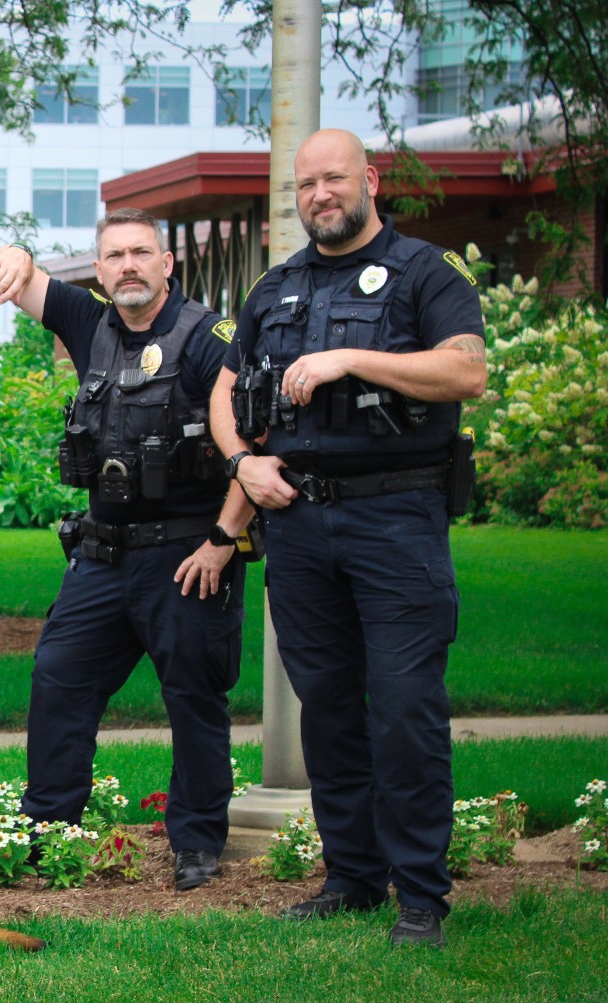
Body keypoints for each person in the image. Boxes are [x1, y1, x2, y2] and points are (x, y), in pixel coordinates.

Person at [208, 130, 486, 947]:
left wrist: (351, 359)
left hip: (395, 518)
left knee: (404, 710)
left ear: (369, 179)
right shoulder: (277, 285)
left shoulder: (426, 273)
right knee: (327, 710)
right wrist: (242, 465)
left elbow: (467, 370)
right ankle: (354, 876)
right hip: (297, 520)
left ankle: (422, 897)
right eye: (306, 185)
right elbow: (225, 390)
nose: (319, 195)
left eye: (334, 179)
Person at [0, 209, 254, 892]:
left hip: (190, 555)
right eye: (114, 256)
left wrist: (224, 542)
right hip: (102, 557)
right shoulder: (86, 320)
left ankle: (196, 842)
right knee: (58, 677)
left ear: (166, 264)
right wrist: (15, 250)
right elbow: (26, 279)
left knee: (194, 697)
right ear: (99, 270)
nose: (128, 265)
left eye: (140, 252)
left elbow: (255, 440)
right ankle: (49, 833)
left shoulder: (209, 337)